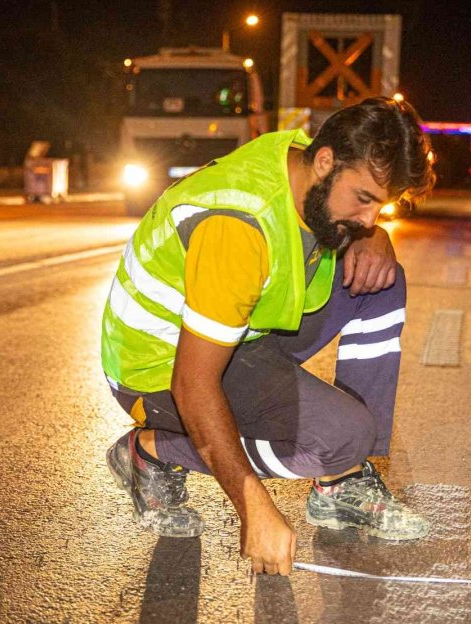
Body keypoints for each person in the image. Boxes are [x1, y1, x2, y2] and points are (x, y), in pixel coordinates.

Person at [101, 97, 435, 576]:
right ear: (325, 163)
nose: (369, 217)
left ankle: (343, 480)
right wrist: (252, 505)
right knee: (342, 437)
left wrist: (373, 234)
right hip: (158, 366)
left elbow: (351, 226)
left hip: (243, 333)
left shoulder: (304, 162)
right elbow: (194, 384)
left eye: (380, 205)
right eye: (364, 199)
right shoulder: (237, 227)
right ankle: (150, 451)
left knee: (382, 277)